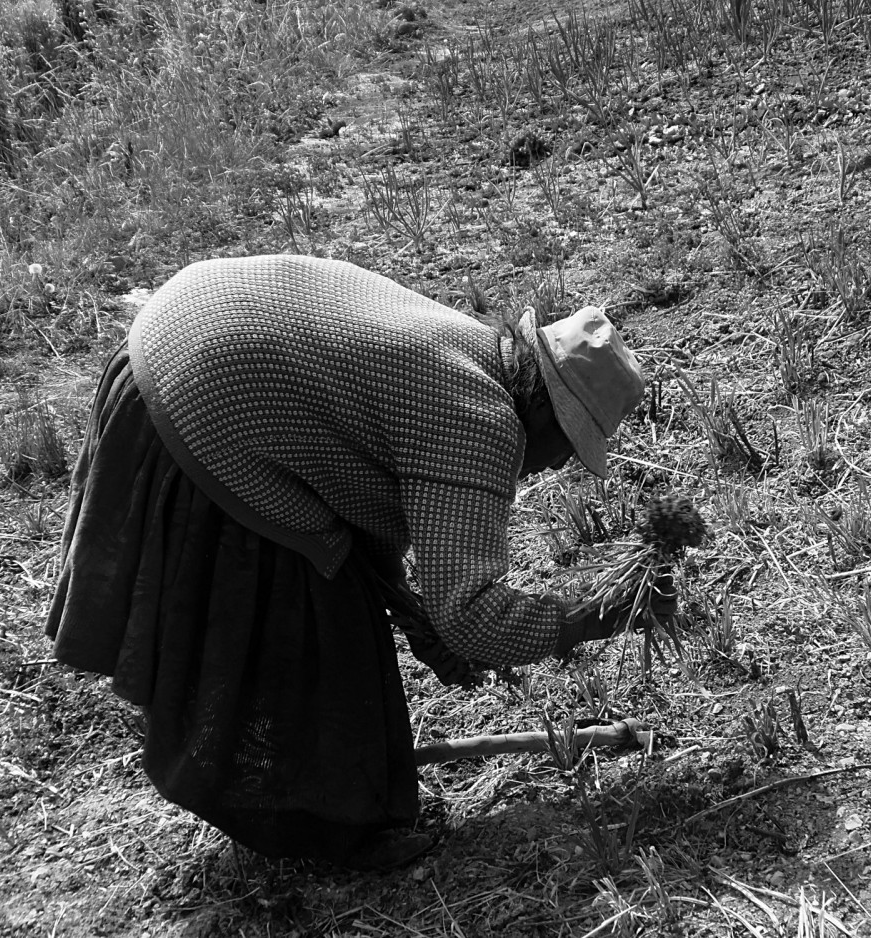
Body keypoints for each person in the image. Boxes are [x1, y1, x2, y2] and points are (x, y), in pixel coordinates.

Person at [46, 254, 646, 871]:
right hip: (207, 408)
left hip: (167, 335)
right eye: (568, 446)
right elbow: (469, 615)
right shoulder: (481, 423)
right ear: (546, 414)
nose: (556, 466)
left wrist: (419, 623)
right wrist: (595, 617)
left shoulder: (469, 351)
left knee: (336, 578)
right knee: (325, 631)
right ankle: (318, 827)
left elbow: (367, 527)